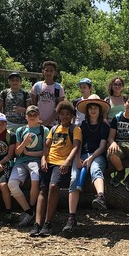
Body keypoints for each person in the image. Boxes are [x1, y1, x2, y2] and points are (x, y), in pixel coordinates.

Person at [31, 100, 81, 237]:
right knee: (43, 189)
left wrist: (67, 161)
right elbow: (46, 147)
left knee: (53, 186)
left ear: (72, 116)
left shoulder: (75, 129)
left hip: (62, 164)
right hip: (48, 162)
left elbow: (76, 147)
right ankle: (37, 223)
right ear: (58, 115)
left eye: (67, 114)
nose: (64, 116)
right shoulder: (54, 129)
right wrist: (42, 159)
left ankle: (48, 223)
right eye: (62, 114)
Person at [65, 95, 111, 235]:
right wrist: (78, 158)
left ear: (100, 110)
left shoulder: (104, 126)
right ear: (87, 110)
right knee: (74, 179)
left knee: (96, 169)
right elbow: (77, 144)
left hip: (97, 155)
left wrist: (91, 158)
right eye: (90, 108)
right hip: (81, 155)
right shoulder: (81, 126)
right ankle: (71, 217)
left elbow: (102, 146)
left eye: (95, 107)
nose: (92, 110)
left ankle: (101, 197)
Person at [8, 106, 48, 227]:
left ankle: (32, 207)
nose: (32, 117)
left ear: (38, 116)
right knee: (12, 184)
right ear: (26, 116)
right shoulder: (20, 130)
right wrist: (24, 143)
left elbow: (44, 152)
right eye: (29, 115)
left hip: (36, 161)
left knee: (35, 181)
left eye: (34, 115)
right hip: (21, 162)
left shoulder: (44, 130)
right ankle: (29, 211)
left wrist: (29, 152)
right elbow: (17, 152)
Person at [30, 61, 65, 127]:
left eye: (51, 71)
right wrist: (36, 119)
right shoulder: (37, 86)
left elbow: (59, 107)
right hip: (37, 123)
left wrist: (49, 121)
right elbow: (33, 105)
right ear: (43, 71)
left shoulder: (59, 88)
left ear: (55, 72)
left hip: (53, 124)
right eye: (47, 70)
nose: (49, 73)